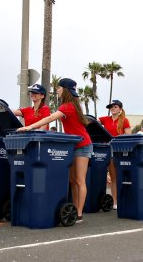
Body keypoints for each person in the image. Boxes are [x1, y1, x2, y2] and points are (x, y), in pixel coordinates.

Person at [17, 78, 92, 224]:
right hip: (73, 145)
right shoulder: (70, 105)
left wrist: (30, 127)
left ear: (65, 90)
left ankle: (79, 213)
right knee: (72, 180)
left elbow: (50, 117)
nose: (57, 90)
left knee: (79, 180)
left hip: (83, 145)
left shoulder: (68, 106)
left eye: (59, 88)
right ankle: (75, 209)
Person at [99, 99, 132, 210]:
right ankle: (114, 201)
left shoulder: (124, 120)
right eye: (111, 107)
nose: (113, 108)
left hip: (119, 150)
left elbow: (128, 136)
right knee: (113, 177)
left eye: (115, 107)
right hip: (106, 149)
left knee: (118, 177)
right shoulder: (105, 119)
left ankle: (120, 200)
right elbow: (92, 122)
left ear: (120, 109)